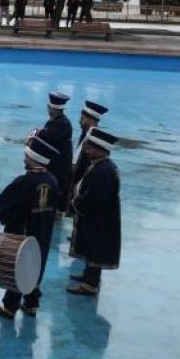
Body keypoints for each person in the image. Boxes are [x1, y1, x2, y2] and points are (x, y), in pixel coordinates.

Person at [0, 135, 62, 318]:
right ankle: (32, 303)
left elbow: (4, 206)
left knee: (18, 267)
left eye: (27, 156)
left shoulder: (25, 182)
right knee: (37, 264)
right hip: (43, 234)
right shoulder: (53, 180)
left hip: (21, 234)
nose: (24, 159)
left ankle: (10, 306)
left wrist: (6, 219)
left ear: (33, 158)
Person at [67, 127, 121, 296]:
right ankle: (88, 276)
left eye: (90, 148)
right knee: (92, 248)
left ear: (100, 149)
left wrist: (76, 204)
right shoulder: (102, 166)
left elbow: (94, 197)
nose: (87, 150)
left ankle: (90, 284)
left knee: (96, 249)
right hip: (97, 218)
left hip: (99, 219)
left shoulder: (104, 171)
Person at [38, 92, 74, 212]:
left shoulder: (60, 124)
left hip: (58, 168)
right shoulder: (59, 122)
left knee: (54, 198)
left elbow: (46, 139)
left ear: (52, 108)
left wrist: (37, 135)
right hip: (57, 166)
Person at [72, 101, 108, 190]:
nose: (79, 122)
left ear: (91, 120)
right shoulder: (84, 134)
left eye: (82, 119)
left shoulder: (95, 141)